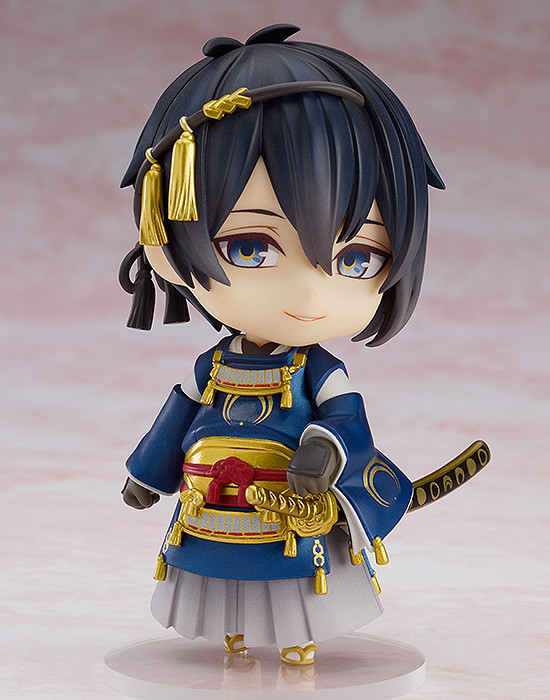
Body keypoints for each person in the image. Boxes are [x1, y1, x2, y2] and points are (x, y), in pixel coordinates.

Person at [119, 23, 445, 666]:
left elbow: (345, 418)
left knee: (291, 574)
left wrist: (322, 449)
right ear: (162, 242)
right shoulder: (211, 367)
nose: (310, 293)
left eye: (356, 259)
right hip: (212, 507)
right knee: (222, 573)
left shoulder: (318, 371)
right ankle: (235, 636)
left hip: (293, 510)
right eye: (250, 248)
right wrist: (146, 475)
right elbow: (174, 420)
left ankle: (298, 638)